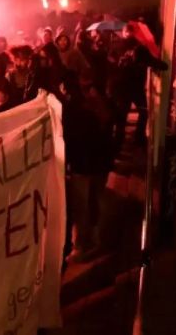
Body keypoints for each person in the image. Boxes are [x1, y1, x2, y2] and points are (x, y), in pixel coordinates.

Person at [62, 69, 114, 262]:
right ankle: (95, 238)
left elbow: (71, 138)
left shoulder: (75, 108)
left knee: (82, 205)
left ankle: (83, 245)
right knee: (95, 200)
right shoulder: (100, 103)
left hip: (83, 164)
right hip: (99, 162)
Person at [107, 22, 167, 147]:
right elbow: (152, 61)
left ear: (123, 33)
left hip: (120, 86)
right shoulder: (140, 48)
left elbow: (109, 63)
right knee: (143, 112)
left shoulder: (115, 46)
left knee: (121, 117)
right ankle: (138, 138)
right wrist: (164, 65)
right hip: (135, 86)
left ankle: (118, 144)